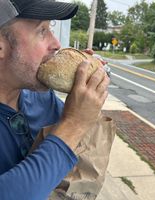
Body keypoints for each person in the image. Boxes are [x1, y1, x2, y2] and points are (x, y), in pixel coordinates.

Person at [0, 0, 110, 199]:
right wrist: (74, 124)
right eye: (42, 31)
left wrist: (84, 90)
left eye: (51, 28)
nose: (56, 44)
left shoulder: (42, 97)